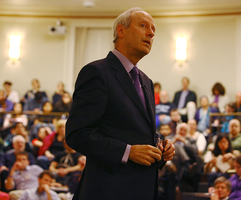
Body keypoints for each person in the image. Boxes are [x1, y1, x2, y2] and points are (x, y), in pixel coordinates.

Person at [65, 7, 175, 200]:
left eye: (153, 30)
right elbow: (77, 133)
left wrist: (160, 149)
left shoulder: (146, 82)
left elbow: (139, 132)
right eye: (143, 26)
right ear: (121, 31)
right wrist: (127, 152)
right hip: (107, 190)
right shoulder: (96, 72)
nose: (151, 33)